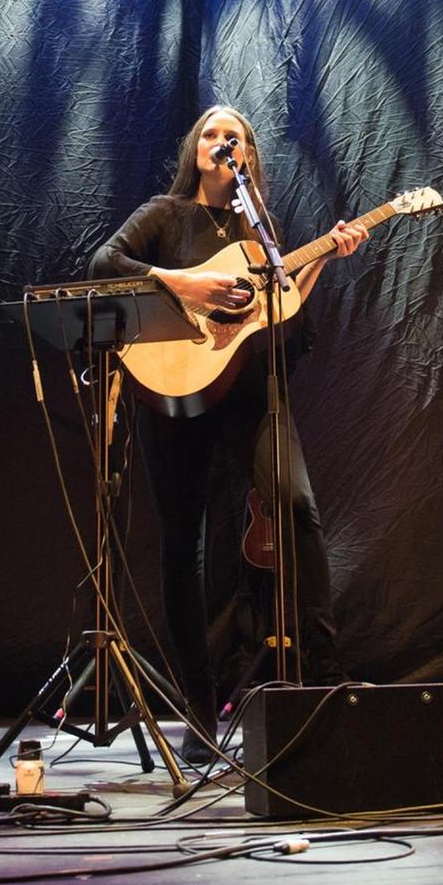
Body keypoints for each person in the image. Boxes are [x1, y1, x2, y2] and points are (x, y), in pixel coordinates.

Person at [88, 105, 366, 764]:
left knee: (296, 507)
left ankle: (327, 680)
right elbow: (104, 261)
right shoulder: (166, 214)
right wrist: (184, 282)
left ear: (248, 156)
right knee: (181, 548)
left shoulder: (258, 228)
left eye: (233, 135)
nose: (222, 141)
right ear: (195, 149)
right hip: (172, 392)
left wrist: (324, 256)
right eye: (212, 133)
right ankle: (198, 709)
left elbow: (281, 315)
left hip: (247, 394)